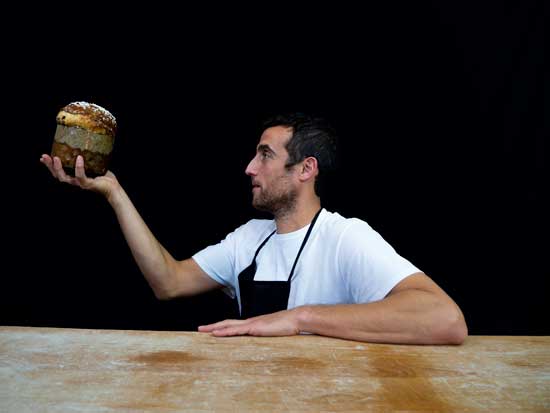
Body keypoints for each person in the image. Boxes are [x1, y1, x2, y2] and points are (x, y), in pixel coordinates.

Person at [40, 112, 468, 344]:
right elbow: (167, 282)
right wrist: (115, 193)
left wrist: (299, 318)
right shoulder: (250, 238)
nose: (249, 168)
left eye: (264, 155)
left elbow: (445, 319)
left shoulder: (345, 238)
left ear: (306, 169)